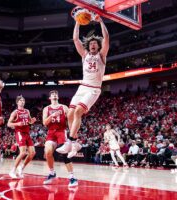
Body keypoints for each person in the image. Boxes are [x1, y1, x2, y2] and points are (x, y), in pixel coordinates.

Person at [57, 15, 109, 158]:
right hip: (83, 87)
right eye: (91, 43)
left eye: (95, 43)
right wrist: (77, 23)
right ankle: (75, 144)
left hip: (93, 88)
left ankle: (70, 141)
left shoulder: (102, 55)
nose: (92, 44)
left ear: (98, 46)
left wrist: (101, 22)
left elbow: (106, 38)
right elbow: (75, 39)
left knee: (78, 111)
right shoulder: (84, 55)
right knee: (70, 114)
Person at [42, 90, 78, 187]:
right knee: (48, 152)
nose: (55, 95)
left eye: (56, 94)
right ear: (50, 98)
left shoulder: (64, 107)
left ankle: (72, 177)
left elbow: (71, 120)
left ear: (58, 97)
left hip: (61, 132)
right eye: (53, 94)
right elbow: (45, 123)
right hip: (51, 132)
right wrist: (52, 115)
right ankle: (52, 172)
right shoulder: (46, 109)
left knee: (64, 154)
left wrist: (73, 135)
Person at [7, 95, 36, 179]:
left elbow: (29, 121)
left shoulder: (27, 111)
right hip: (20, 133)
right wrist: (17, 124)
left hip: (27, 133)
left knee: (32, 153)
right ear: (17, 102)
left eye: (23, 100)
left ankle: (21, 167)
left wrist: (32, 121)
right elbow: (8, 124)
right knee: (23, 152)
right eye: (20, 100)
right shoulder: (15, 112)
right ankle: (12, 170)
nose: (22, 101)